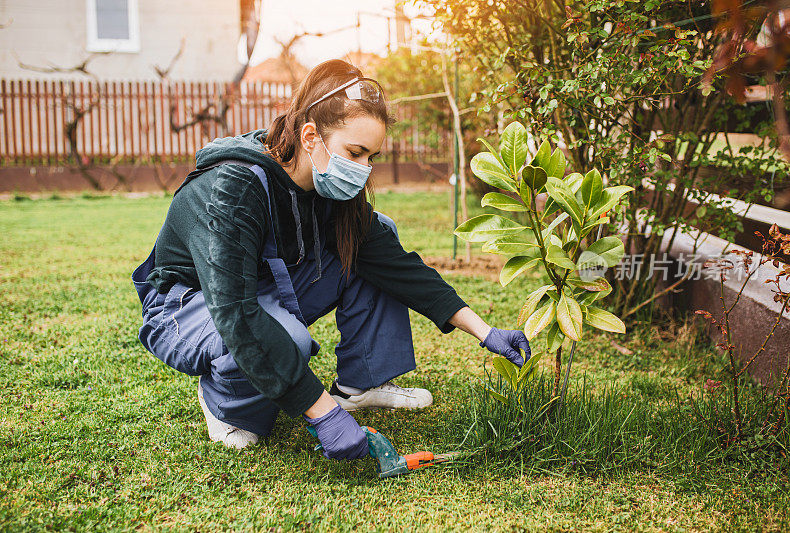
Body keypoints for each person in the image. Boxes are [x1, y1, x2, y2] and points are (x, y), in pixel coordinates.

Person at [131, 59, 531, 459]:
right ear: (310, 137)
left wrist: (484, 331)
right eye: (355, 152)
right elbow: (235, 311)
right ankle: (225, 403)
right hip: (188, 304)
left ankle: (360, 384)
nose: (363, 170)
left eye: (371, 157)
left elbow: (394, 264)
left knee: (378, 234)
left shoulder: (331, 187)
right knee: (288, 339)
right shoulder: (234, 188)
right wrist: (324, 415)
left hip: (268, 286)